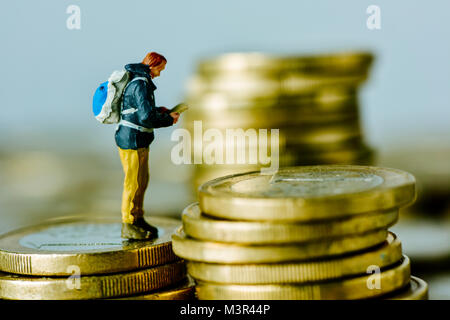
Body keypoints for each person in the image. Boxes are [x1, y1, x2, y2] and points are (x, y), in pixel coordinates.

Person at [115, 52, 180, 240]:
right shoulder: (140, 85)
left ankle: (138, 218)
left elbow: (143, 111)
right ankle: (128, 223)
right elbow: (145, 118)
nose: (161, 73)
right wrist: (168, 119)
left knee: (142, 181)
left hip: (140, 139)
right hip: (131, 140)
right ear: (153, 65)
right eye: (161, 68)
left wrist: (161, 111)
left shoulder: (142, 84)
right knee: (133, 182)